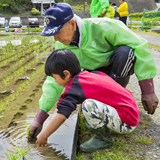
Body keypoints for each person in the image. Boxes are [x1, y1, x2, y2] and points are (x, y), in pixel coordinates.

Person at [28, 3, 159, 142]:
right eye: (53, 34)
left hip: (116, 67)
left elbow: (139, 45)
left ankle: (118, 109)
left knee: (124, 53)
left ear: (72, 24)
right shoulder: (62, 43)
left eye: (58, 32)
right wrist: (39, 118)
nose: (55, 39)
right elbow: (53, 80)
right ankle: (105, 112)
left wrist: (148, 89)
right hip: (96, 75)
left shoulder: (103, 26)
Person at [35, 49, 139, 152]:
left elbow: (62, 115)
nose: (55, 81)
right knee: (91, 103)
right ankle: (102, 125)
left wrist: (44, 135)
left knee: (88, 105)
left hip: (128, 122)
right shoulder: (89, 75)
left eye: (54, 77)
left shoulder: (74, 87)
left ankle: (103, 139)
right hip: (131, 111)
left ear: (66, 74)